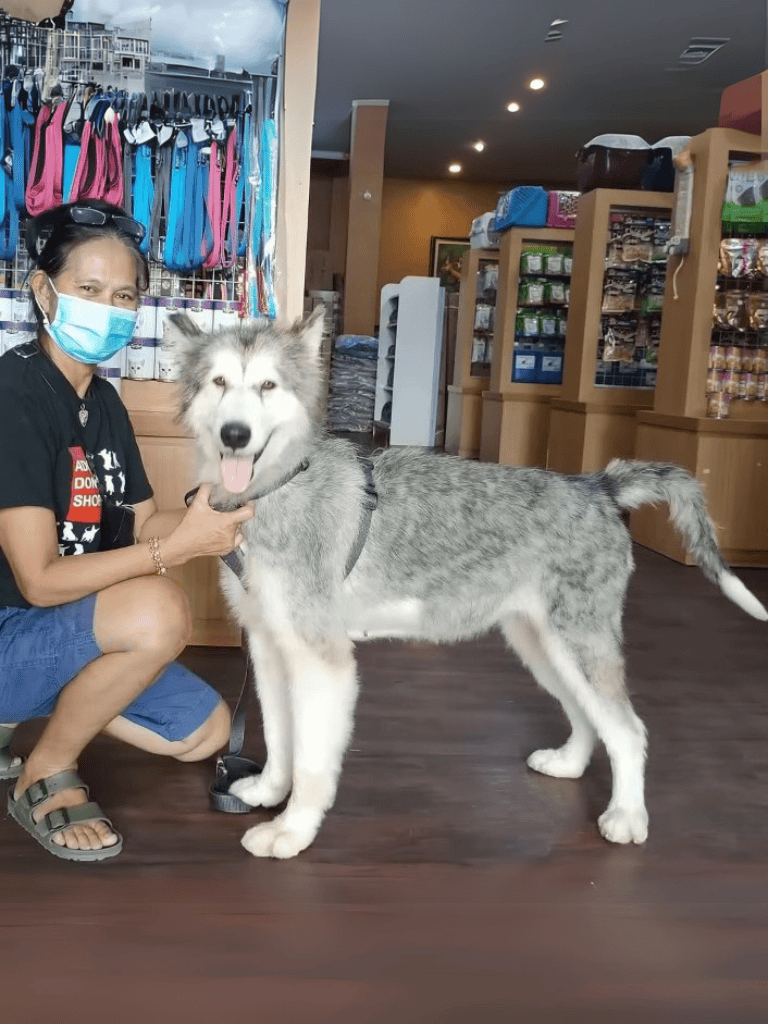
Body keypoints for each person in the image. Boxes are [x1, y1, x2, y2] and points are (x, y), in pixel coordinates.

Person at [0, 199, 253, 861]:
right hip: (13, 624)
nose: (108, 308)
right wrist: (174, 550)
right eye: (88, 290)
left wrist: (217, 514)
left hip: (60, 634)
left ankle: (26, 710)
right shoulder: (12, 394)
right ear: (42, 290)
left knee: (205, 733)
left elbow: (142, 523)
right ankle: (43, 773)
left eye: (123, 295)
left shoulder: (103, 400)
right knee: (158, 608)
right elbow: (41, 580)